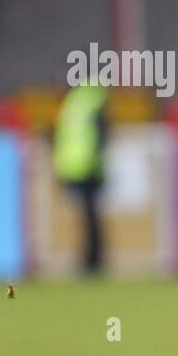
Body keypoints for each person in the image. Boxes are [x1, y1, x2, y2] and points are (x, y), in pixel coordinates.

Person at [53, 80, 109, 274]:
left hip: (84, 166)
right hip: (83, 165)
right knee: (89, 216)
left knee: (89, 217)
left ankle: (92, 259)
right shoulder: (88, 100)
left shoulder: (80, 101)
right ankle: (92, 258)